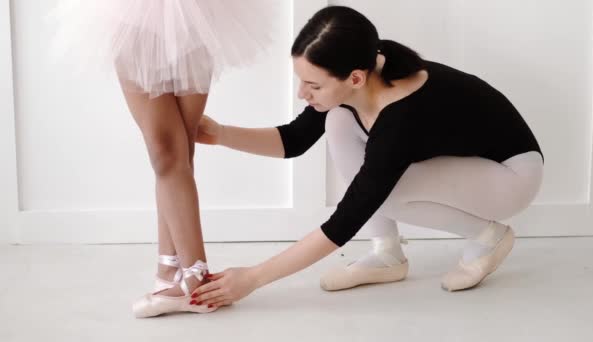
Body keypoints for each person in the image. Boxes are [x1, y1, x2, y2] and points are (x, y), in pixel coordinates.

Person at [188, 5, 544, 309]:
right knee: (339, 119)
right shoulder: (363, 60)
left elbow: (346, 220)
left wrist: (252, 278)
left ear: (355, 78)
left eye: (312, 85)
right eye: (301, 81)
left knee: (383, 192)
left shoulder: (400, 120)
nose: (302, 93)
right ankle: (387, 254)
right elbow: (295, 140)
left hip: (511, 176)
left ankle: (487, 236)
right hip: (468, 167)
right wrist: (220, 134)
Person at [49, 0, 277, 318]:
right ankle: (191, 280)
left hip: (197, 10)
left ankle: (174, 274)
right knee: (165, 149)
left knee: (181, 145)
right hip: (130, 12)